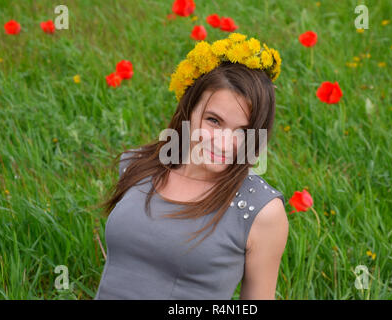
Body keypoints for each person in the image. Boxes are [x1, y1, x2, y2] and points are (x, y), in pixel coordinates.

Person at [94, 32, 289, 300]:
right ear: (189, 110)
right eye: (214, 121)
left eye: (242, 131)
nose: (224, 143)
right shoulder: (137, 166)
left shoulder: (261, 212)